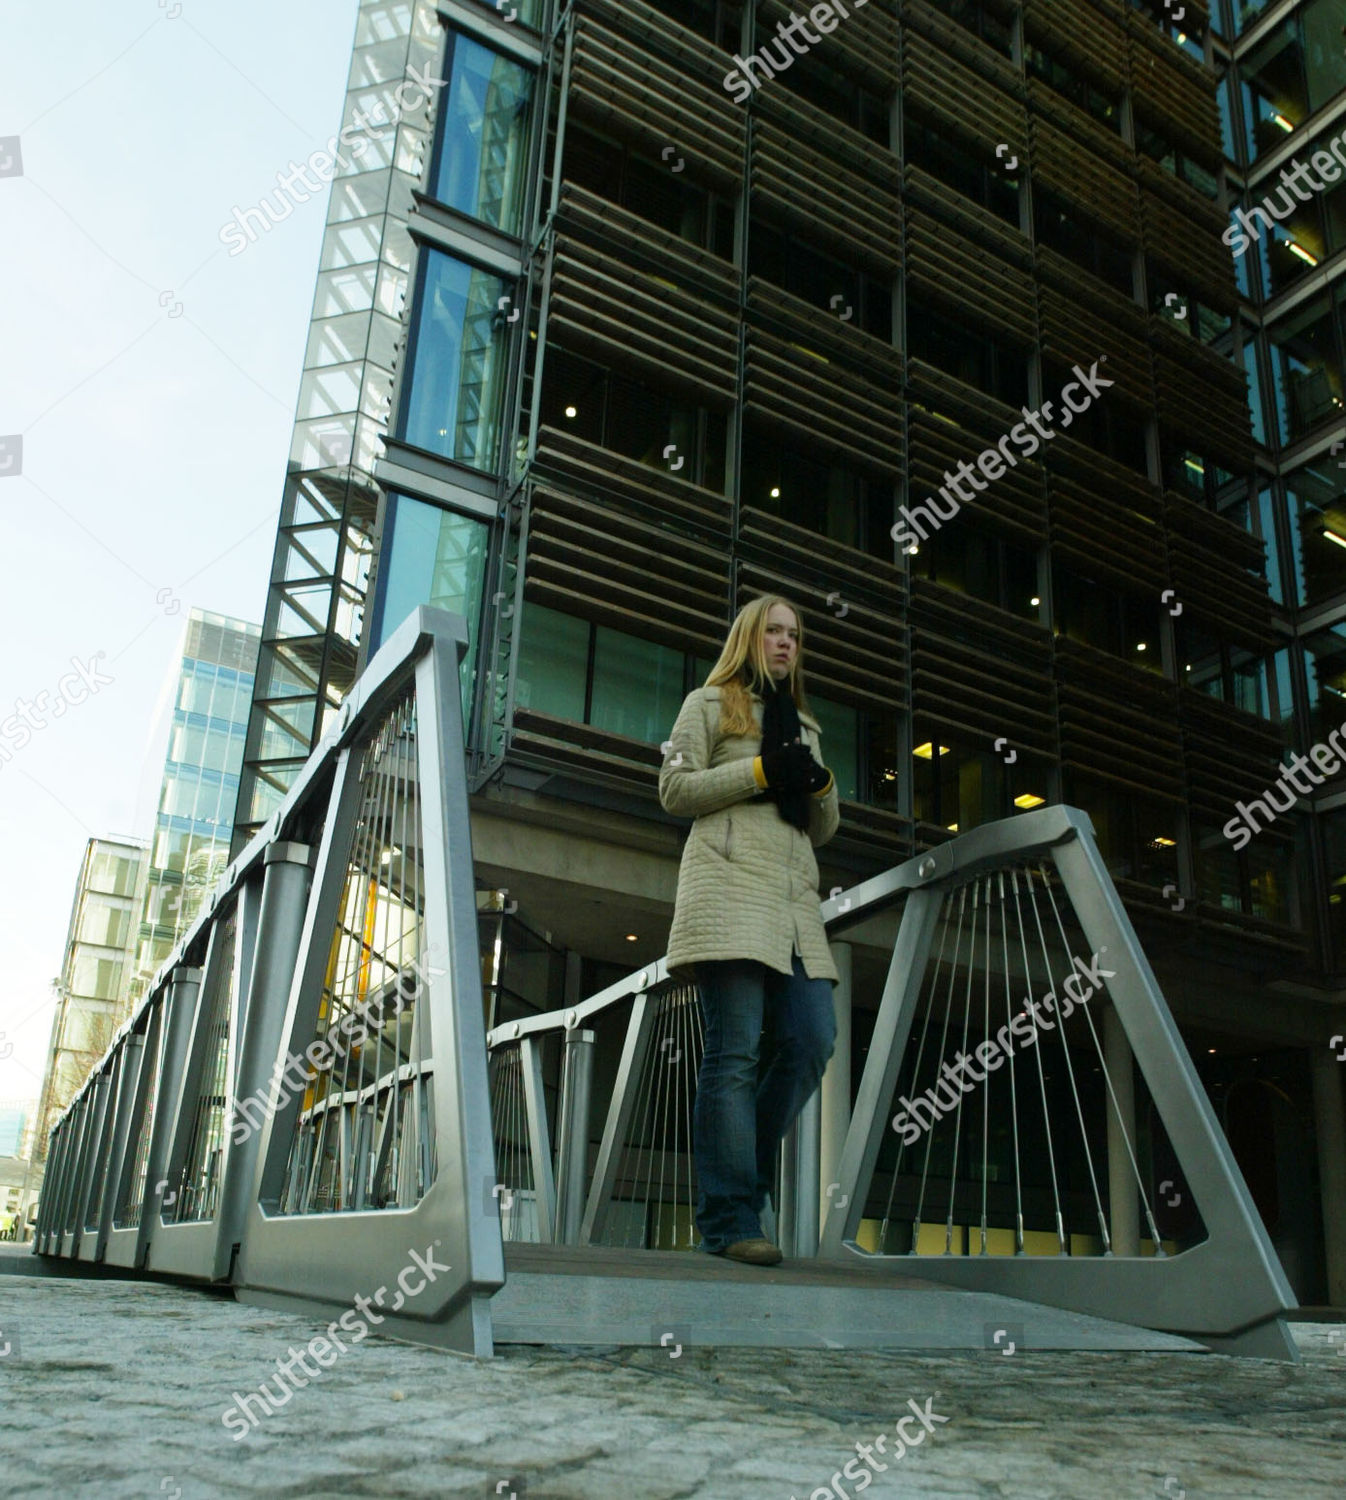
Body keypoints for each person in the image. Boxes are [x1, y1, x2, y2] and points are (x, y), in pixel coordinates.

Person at [658, 594, 840, 1265]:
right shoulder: (708, 705)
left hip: (794, 906)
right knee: (733, 1053)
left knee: (812, 1039)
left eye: (795, 634)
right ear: (749, 637)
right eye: (774, 631)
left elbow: (824, 826)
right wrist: (761, 770)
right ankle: (733, 1216)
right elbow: (674, 792)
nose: (786, 643)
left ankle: (740, 1182)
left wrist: (817, 784)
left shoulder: (808, 725)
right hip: (730, 891)